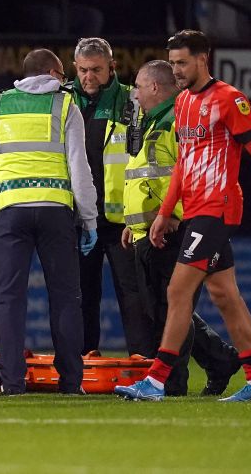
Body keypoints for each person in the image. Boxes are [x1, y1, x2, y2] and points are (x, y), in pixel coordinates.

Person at [114, 30, 251, 402]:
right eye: (172, 63)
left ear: (202, 59)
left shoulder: (229, 99)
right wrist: (163, 213)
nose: (176, 70)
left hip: (218, 207)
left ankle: (155, 381)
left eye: (182, 62)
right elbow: (183, 166)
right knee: (225, 294)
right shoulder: (185, 103)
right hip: (195, 211)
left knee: (177, 290)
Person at [0, 48, 98, 396]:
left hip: (11, 212)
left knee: (7, 299)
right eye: (63, 74)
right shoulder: (66, 107)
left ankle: (13, 383)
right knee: (65, 298)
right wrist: (90, 219)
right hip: (56, 212)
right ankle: (71, 384)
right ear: (52, 72)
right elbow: (80, 171)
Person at [120, 59, 241, 396]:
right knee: (165, 307)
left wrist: (174, 215)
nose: (136, 95)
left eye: (139, 88)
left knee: (170, 307)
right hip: (150, 229)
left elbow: (191, 173)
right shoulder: (152, 123)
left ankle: (172, 383)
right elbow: (145, 177)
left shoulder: (177, 122)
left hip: (174, 229)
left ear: (155, 87)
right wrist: (135, 221)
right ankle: (220, 360)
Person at [69, 37, 153, 356]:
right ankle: (81, 364)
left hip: (122, 221)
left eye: (96, 70)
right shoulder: (64, 99)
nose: (89, 77)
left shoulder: (132, 101)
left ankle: (143, 362)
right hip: (79, 219)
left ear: (111, 68)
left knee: (134, 296)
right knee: (80, 296)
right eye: (83, 70)